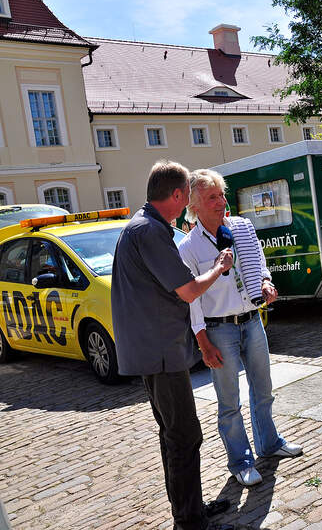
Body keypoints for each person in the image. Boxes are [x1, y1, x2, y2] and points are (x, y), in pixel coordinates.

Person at [111, 160, 234, 530]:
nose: (186, 208)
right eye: (187, 198)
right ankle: (189, 520)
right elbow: (189, 289)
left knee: (174, 435)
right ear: (177, 195)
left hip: (155, 349)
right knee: (184, 435)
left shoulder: (143, 225)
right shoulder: (150, 231)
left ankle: (190, 509)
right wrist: (219, 265)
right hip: (161, 352)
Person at [178, 169, 303, 488]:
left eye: (221, 195)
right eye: (212, 198)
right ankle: (241, 462)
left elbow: (259, 263)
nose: (221, 202)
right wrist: (203, 342)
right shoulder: (189, 247)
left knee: (263, 389)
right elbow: (191, 300)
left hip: (252, 321)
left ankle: (269, 444)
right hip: (219, 330)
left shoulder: (243, 228)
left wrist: (265, 282)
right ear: (194, 205)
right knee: (229, 401)